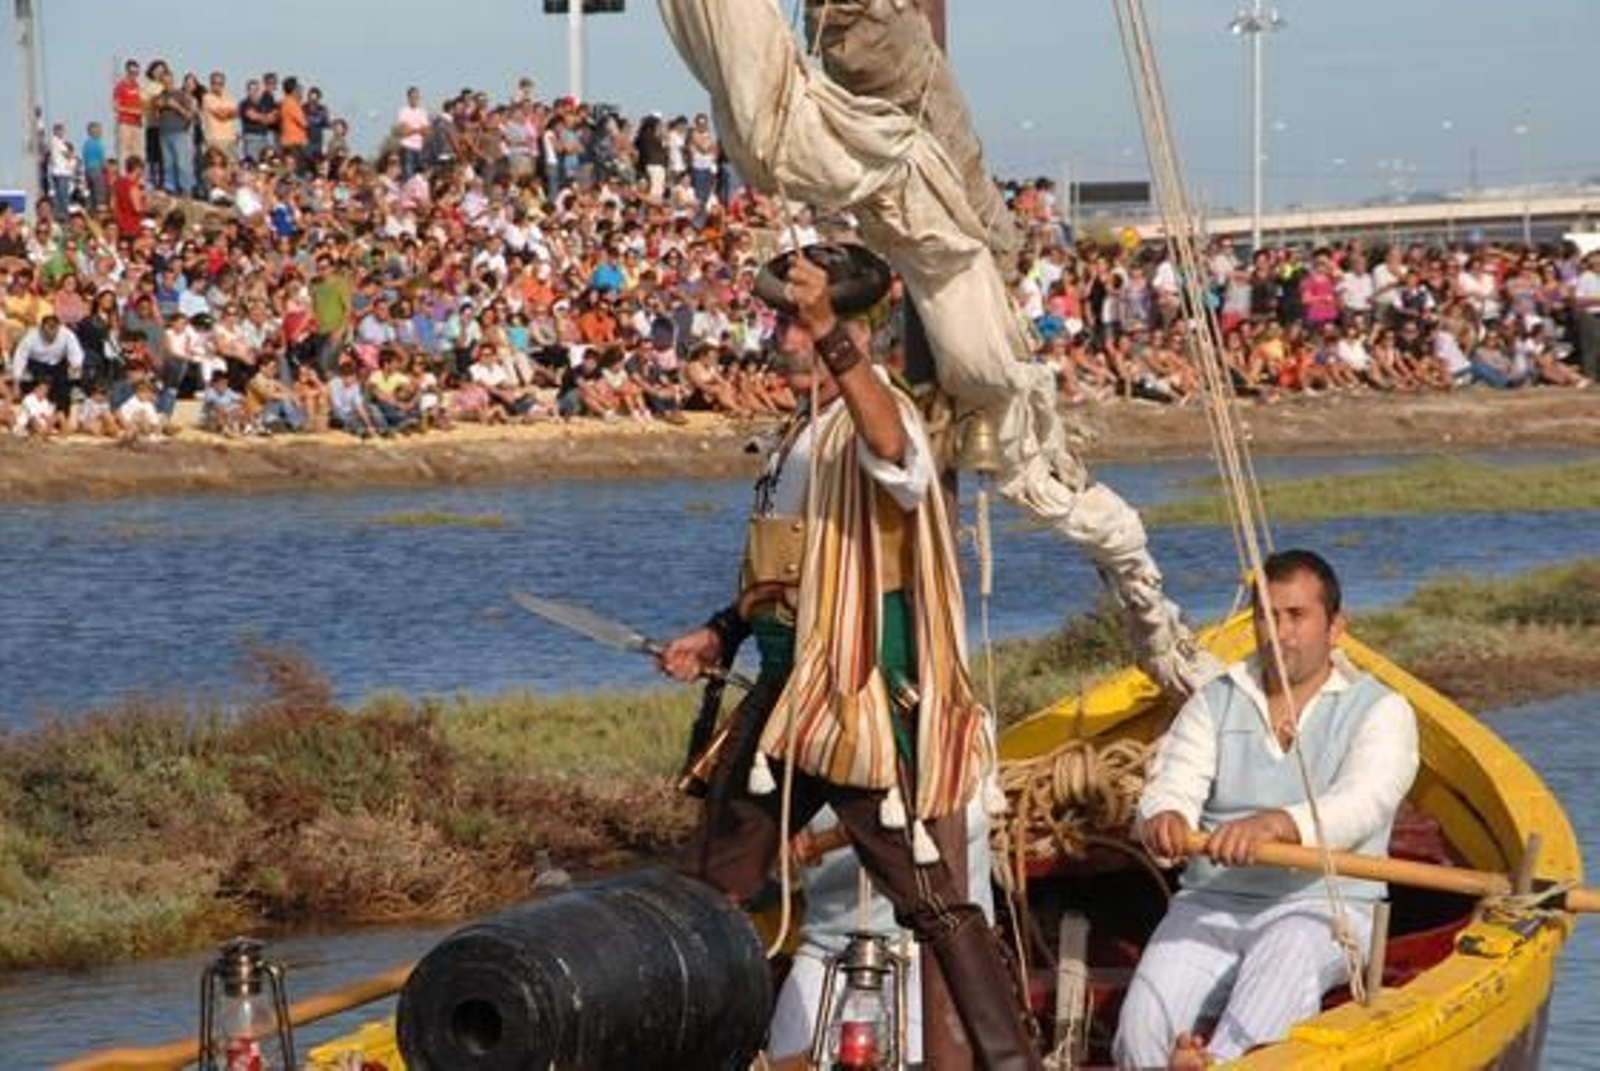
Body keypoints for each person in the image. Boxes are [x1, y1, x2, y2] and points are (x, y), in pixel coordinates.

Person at [658, 246, 1039, 1070]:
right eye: (791, 322)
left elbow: (895, 450)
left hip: (864, 694)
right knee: (710, 881)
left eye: (798, 323)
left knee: (932, 901)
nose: (784, 337)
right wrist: (721, 631)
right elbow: (784, 575)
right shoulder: (801, 434)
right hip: (785, 693)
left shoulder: (878, 411)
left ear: (849, 328)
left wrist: (833, 336)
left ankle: (1010, 1063)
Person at [1113, 549, 1419, 1069]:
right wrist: (1165, 817)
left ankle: (1219, 1063)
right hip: (1212, 901)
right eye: (1266, 616)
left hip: (1327, 906)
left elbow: (1362, 804)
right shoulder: (1216, 701)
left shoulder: (1383, 711)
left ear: (1335, 627)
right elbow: (1174, 783)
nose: (1279, 632)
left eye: (1296, 616)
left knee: (1288, 955)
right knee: (1140, 1026)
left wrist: (1276, 825)